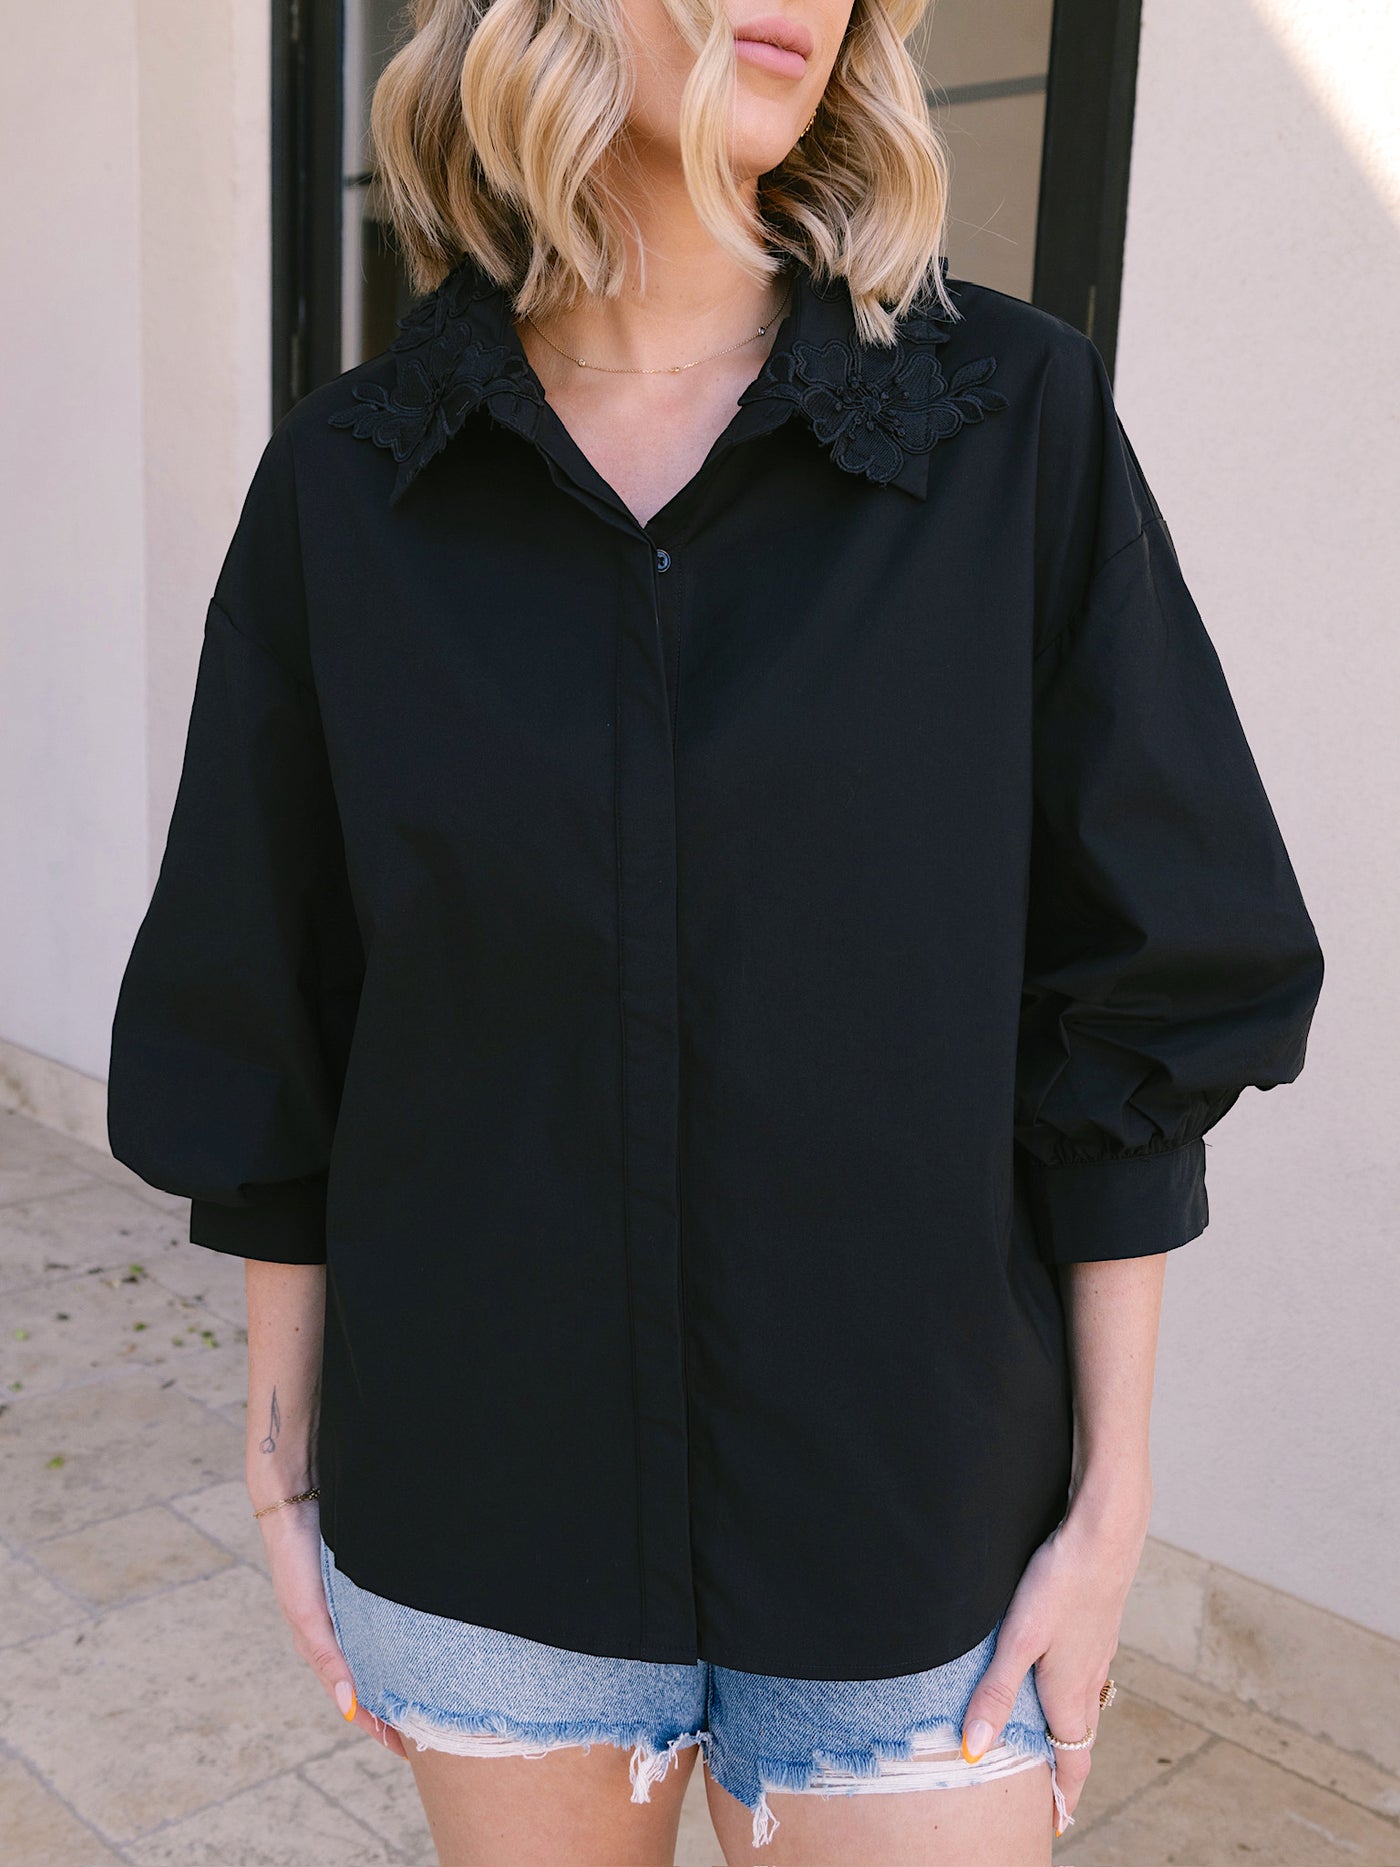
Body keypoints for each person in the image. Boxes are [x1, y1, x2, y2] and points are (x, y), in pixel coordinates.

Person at [105, 0, 1325, 1859]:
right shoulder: (349, 486)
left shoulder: (1014, 426)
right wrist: (280, 1469)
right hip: (483, 1516)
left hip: (915, 1537)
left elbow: (1146, 968)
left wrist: (1114, 1495)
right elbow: (276, 998)